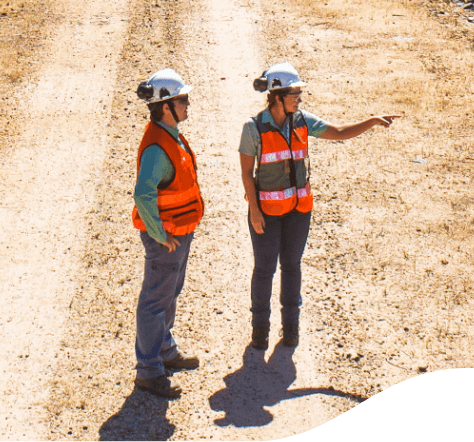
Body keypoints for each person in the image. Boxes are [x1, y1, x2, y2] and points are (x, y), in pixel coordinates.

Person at [239, 62, 399, 350]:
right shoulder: (252, 129)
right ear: (277, 96)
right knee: (264, 270)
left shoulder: (302, 120)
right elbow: (246, 174)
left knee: (291, 266)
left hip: (299, 211)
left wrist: (371, 121)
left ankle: (291, 329)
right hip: (267, 213)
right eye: (295, 94)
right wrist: (254, 211)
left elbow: (337, 132)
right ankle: (260, 330)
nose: (299, 99)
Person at [132, 68, 204, 398]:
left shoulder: (170, 134)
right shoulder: (156, 148)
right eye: (183, 100)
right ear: (166, 106)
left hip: (178, 234)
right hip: (167, 238)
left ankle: (164, 350)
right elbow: (143, 195)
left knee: (169, 294)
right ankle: (148, 371)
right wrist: (159, 234)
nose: (188, 105)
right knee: (154, 301)